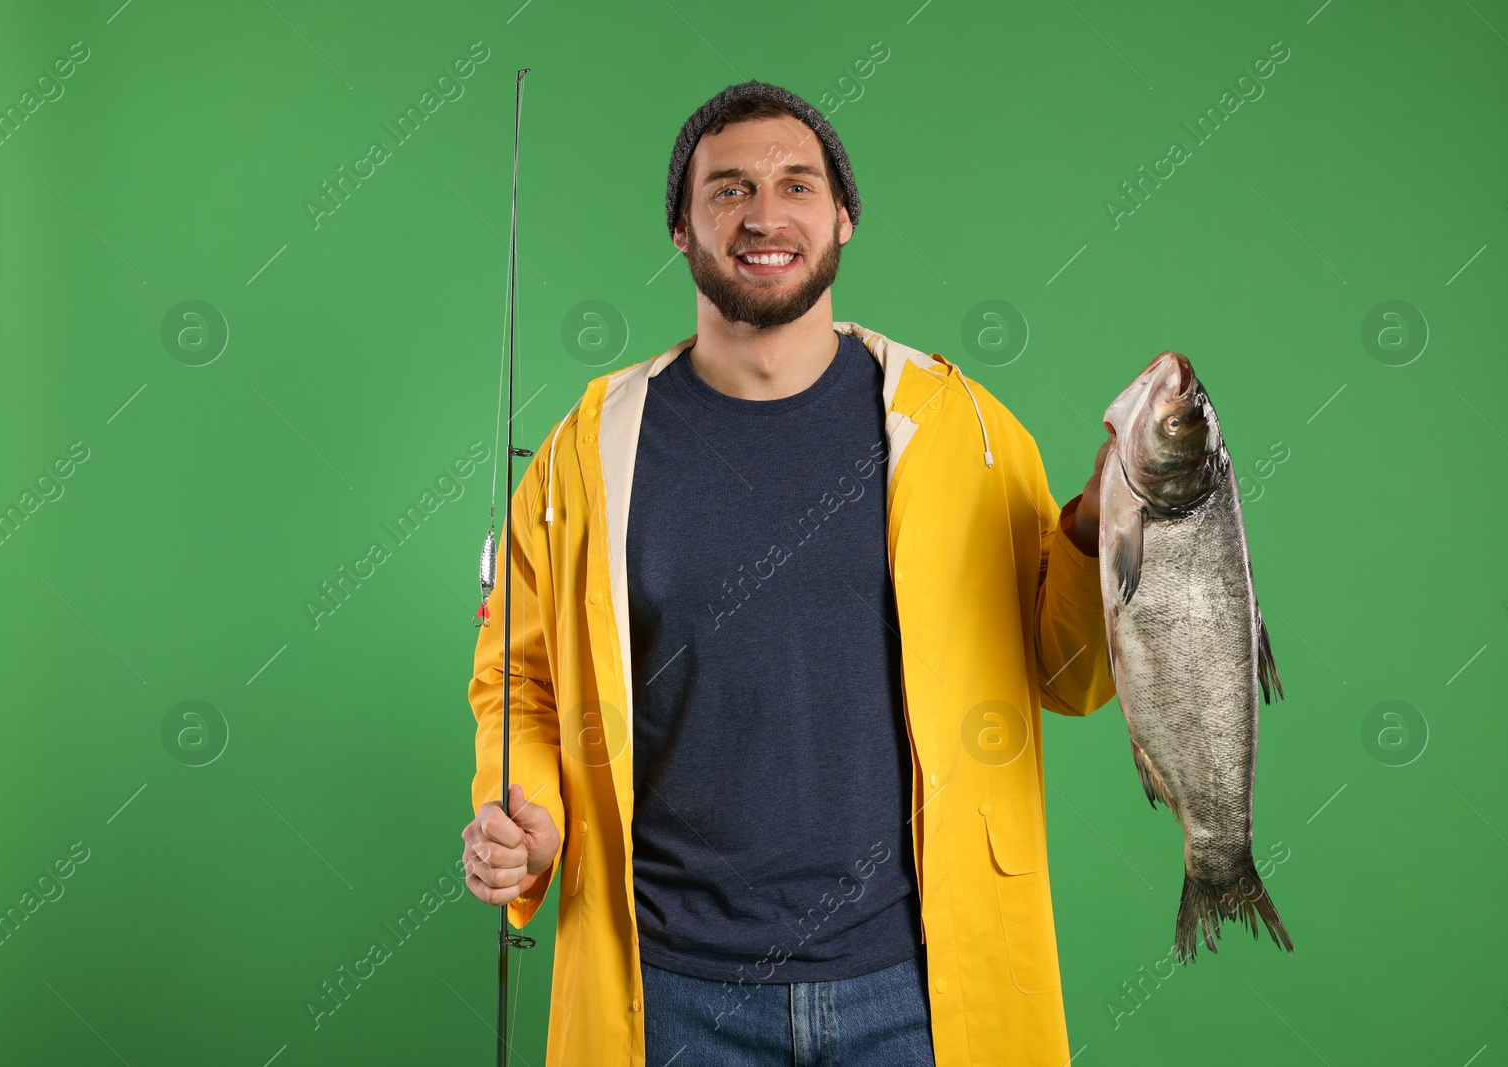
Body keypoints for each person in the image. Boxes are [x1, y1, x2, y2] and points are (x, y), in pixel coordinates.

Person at [459, 80, 1116, 1067]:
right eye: (726, 191)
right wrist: (531, 814)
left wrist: (1100, 532)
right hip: (672, 991)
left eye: (795, 185)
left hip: (919, 986)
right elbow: (519, 680)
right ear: (680, 228)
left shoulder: (964, 430)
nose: (763, 215)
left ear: (842, 215)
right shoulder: (585, 453)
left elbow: (1069, 676)